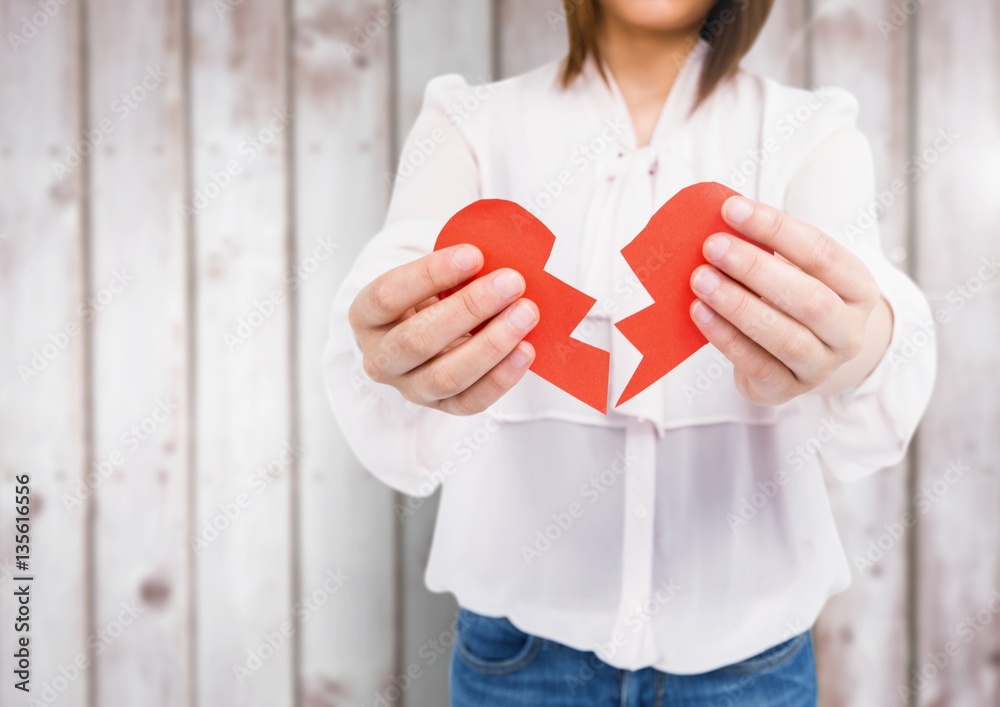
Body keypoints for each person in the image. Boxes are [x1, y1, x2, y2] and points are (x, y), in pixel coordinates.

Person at [325, 0, 936, 704]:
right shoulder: (468, 125)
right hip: (515, 665)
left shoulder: (811, 133)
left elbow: (879, 318)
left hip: (751, 669)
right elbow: (381, 312)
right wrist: (392, 351)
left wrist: (860, 345)